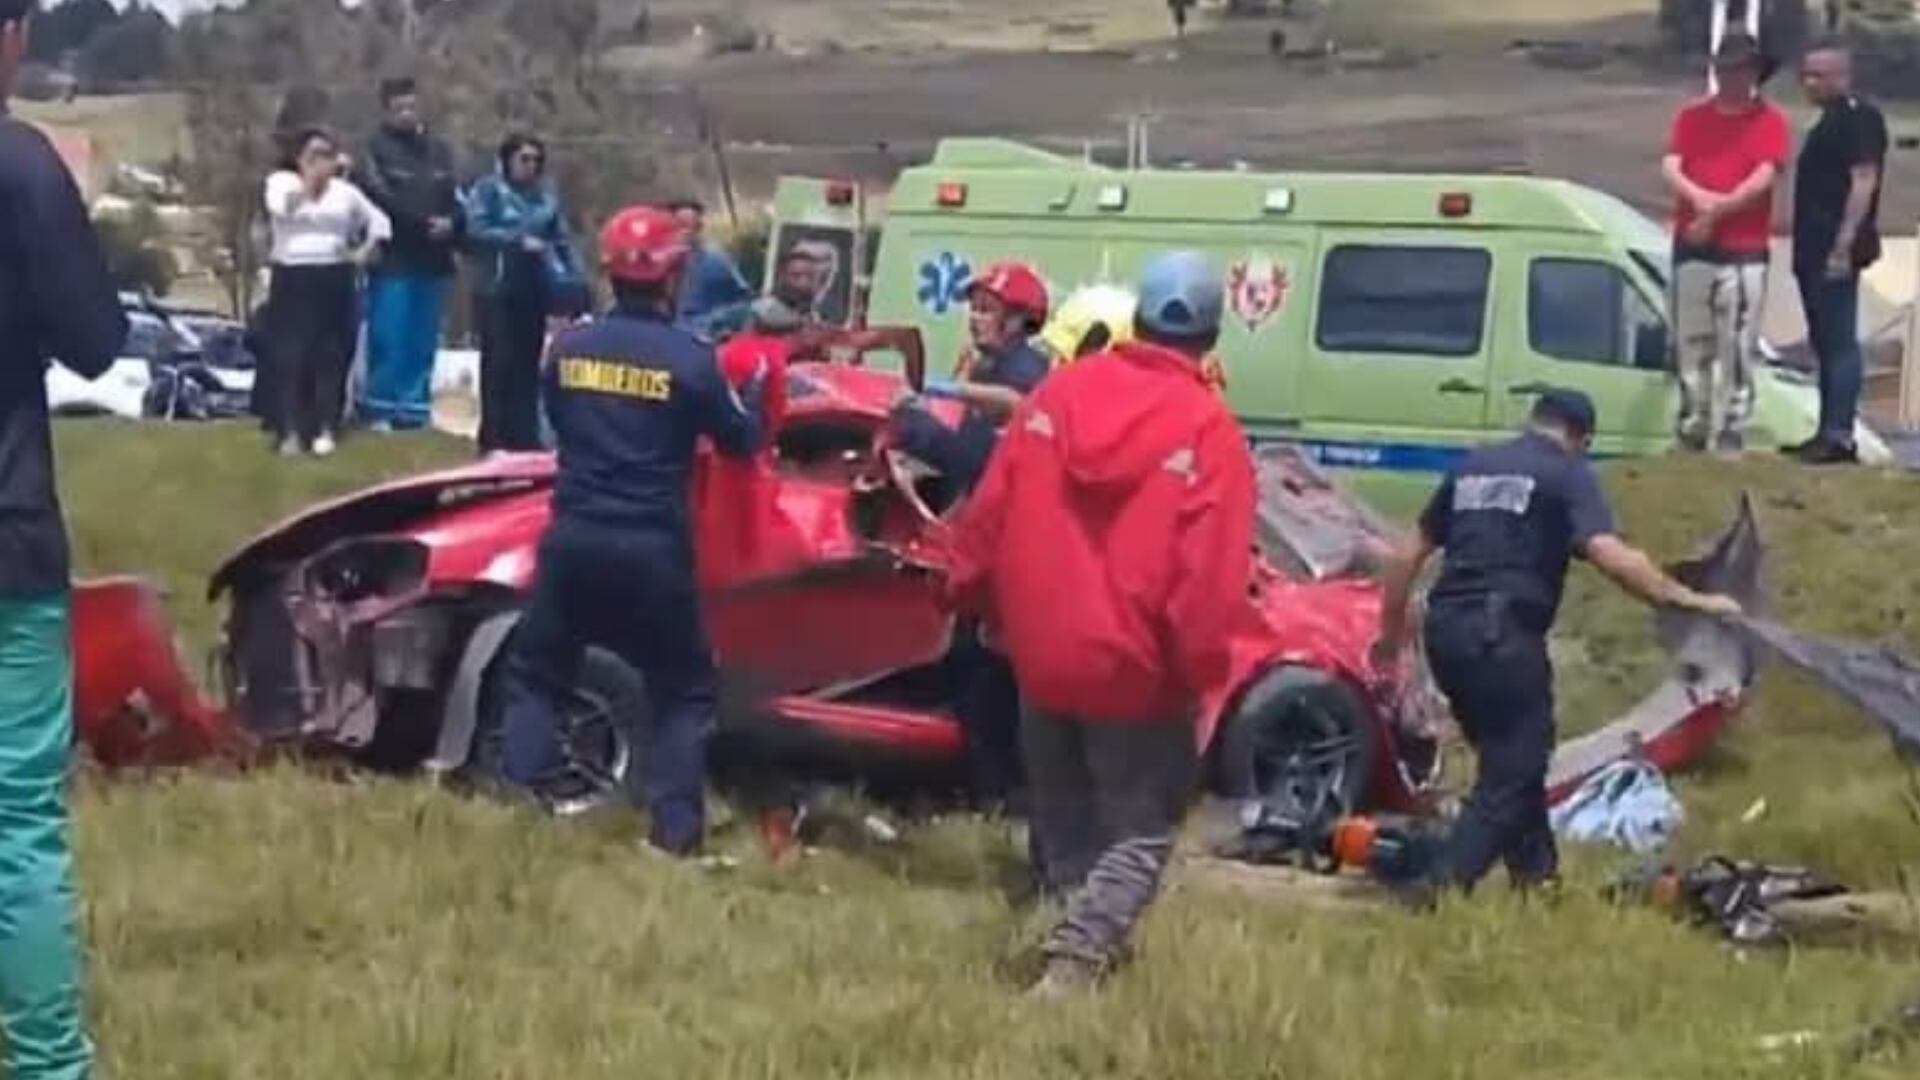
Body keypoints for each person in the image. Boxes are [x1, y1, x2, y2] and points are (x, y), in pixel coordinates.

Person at [945, 251, 1255, 997]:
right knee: (1143, 828)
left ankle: (1059, 926)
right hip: (1136, 666)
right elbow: (1207, 581)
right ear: (1210, 337)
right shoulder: (1209, 431)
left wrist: (972, 601)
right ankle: (1072, 968)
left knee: (1063, 810)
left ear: (1137, 319)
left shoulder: (1058, 398)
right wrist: (1202, 673)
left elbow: (987, 517)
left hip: (1040, 650)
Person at [1371, 389, 1743, 899]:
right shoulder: (1565, 473)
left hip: (1447, 634)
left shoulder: (1473, 467)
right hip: (1500, 636)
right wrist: (1689, 599)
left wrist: (1390, 640)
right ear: (1581, 438)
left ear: (1536, 421)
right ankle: (1437, 888)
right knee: (1514, 770)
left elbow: (1405, 554)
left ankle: (1538, 882)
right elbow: (1612, 557)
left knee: (1512, 757)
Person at [497, 205, 765, 856]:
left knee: (536, 673)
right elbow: (740, 443)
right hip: (652, 547)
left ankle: (513, 816)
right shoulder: (692, 360)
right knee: (683, 690)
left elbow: (559, 419)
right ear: (673, 276)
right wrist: (755, 393)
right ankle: (674, 837)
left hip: (572, 540)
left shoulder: (570, 348)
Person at [0, 1, 129, 1073]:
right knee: (17, 822)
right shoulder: (25, 169)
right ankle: (47, 1063)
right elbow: (97, 343)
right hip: (6, 536)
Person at [1661, 32, 1791, 455]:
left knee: (1736, 343)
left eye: (1740, 69)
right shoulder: (1691, 118)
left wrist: (1717, 211)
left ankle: (1732, 426)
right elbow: (1672, 164)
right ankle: (1692, 425)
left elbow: (1765, 175)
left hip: (1743, 248)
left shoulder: (1769, 122)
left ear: (1754, 73)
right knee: (1690, 339)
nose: (1731, 76)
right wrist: (1698, 201)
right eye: (1725, 68)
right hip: (1693, 246)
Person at [1787, 41, 1888, 466]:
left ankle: (1839, 434)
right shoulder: (1826, 121)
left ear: (1842, 76)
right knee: (1824, 342)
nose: (1809, 83)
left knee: (1840, 341)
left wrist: (1844, 243)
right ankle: (1826, 429)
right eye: (1806, 75)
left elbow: (1863, 179)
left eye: (1818, 75)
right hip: (1811, 245)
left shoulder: (1857, 118)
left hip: (1834, 246)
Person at [262, 127, 390, 457]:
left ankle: (326, 427)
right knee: (292, 353)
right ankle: (290, 430)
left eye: (327, 155)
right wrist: (310, 180)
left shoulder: (346, 193)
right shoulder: (281, 183)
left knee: (331, 353)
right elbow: (283, 210)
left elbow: (379, 222)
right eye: (313, 155)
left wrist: (362, 251)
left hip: (334, 273)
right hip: (293, 273)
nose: (321, 162)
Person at [354, 76, 463, 432]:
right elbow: (378, 195)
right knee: (390, 334)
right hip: (394, 257)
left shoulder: (441, 151)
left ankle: (415, 409)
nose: (406, 113)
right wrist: (419, 224)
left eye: (411, 106)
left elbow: (459, 195)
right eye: (398, 108)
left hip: (434, 259)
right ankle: (381, 407)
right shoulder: (374, 149)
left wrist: (452, 224)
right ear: (386, 110)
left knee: (423, 336)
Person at [463, 133, 578, 456]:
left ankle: (524, 435)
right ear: (508, 161)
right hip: (496, 286)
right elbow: (475, 229)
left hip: (534, 287)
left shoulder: (545, 196)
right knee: (498, 361)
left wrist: (572, 278)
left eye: (535, 160)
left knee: (528, 363)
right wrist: (515, 239)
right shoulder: (489, 189)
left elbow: (561, 238)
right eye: (523, 159)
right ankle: (493, 437)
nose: (530, 166)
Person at [669, 197, 755, 338]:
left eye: (689, 226)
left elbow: (746, 302)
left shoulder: (717, 262)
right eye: (678, 226)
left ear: (700, 227)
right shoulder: (657, 265)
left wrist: (715, 320)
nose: (683, 233)